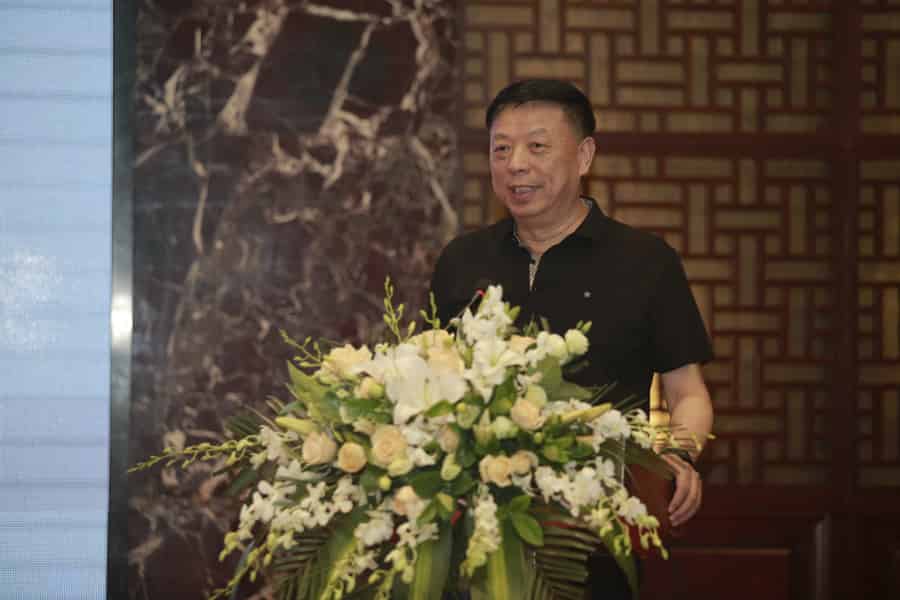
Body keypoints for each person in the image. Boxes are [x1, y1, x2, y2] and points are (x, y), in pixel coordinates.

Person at [430, 79, 714, 599]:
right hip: (474, 542)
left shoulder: (645, 262)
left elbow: (687, 391)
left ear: (584, 156)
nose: (516, 164)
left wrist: (678, 456)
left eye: (537, 147)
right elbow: (433, 386)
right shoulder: (461, 261)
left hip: (594, 542)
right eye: (501, 149)